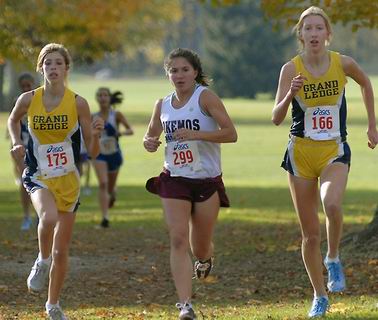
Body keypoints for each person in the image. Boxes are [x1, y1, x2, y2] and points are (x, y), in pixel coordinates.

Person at [272, 6, 378, 318]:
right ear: (301, 35)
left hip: (334, 150)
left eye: (319, 28)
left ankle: (332, 257)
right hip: (300, 155)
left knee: (331, 204)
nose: (314, 34)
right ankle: (319, 295)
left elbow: (366, 84)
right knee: (309, 233)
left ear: (328, 34)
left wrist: (372, 125)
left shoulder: (342, 63)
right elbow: (276, 118)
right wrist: (290, 94)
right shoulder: (290, 69)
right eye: (308, 29)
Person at [7, 43, 104, 320]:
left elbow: (93, 152)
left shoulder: (78, 103)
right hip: (38, 175)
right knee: (47, 219)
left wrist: (95, 134)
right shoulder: (29, 99)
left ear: (66, 68)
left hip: (68, 181)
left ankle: (53, 304)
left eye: (58, 63)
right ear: (41, 68)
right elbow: (13, 120)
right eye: (47, 63)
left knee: (62, 249)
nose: (53, 68)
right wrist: (16, 143)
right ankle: (41, 260)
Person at [143, 48, 237, 320]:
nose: (179, 75)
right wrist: (149, 143)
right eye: (174, 70)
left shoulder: (205, 97)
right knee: (178, 238)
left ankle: (205, 259)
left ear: (195, 72)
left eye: (185, 69)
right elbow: (151, 137)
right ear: (167, 74)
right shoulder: (162, 104)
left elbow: (231, 134)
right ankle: (185, 305)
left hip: (206, 181)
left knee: (200, 245)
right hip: (174, 179)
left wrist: (197, 134)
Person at [92, 87, 134, 228]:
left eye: (105, 95)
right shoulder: (93, 116)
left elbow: (130, 130)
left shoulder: (116, 115)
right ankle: (105, 218)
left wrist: (120, 133)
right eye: (100, 95)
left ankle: (113, 193)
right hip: (99, 154)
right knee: (103, 184)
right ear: (97, 98)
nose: (103, 98)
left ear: (109, 98)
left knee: (109, 188)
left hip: (114, 154)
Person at [8, 73, 37, 230]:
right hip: (22, 149)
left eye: (29, 85)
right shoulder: (19, 103)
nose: (26, 88)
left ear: (33, 83)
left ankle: (40, 214)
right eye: (24, 86)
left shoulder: (40, 101)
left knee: (41, 182)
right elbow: (12, 125)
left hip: (39, 149)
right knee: (25, 181)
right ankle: (26, 216)